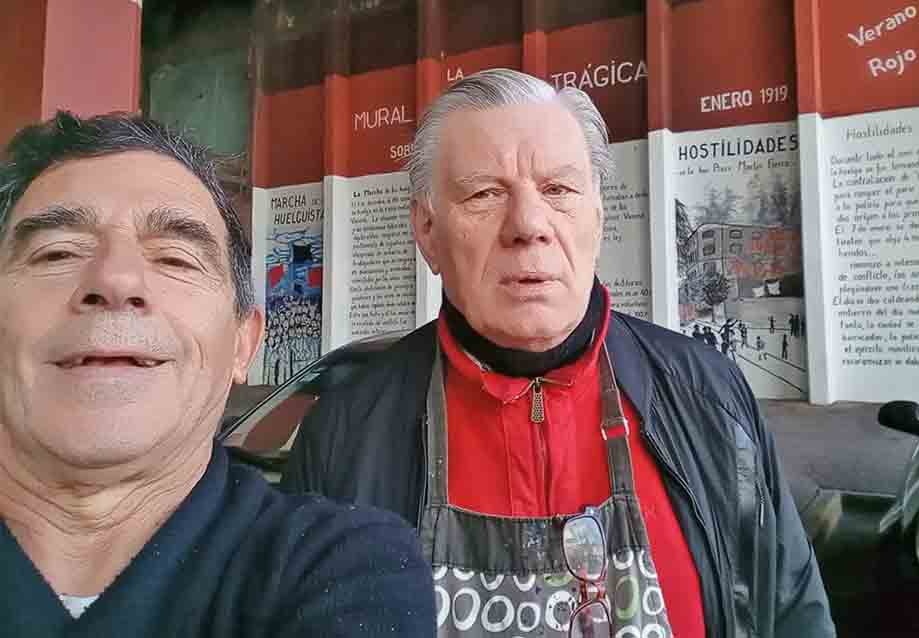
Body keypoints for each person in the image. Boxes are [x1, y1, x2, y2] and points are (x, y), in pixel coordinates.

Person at [282, 69, 833, 638]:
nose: (528, 225)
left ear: (597, 215)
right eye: (484, 193)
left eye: (558, 190)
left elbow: (791, 614)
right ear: (427, 230)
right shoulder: (345, 434)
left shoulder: (709, 397)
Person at [0, 112, 434, 637]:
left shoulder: (340, 567)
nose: (115, 279)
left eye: (175, 259)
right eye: (58, 252)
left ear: (243, 344)